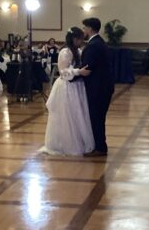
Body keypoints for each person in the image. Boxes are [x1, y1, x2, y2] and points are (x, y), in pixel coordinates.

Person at [41, 27, 94, 156]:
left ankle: (80, 141)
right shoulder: (65, 52)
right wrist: (78, 71)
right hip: (67, 87)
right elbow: (63, 72)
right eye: (80, 39)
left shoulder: (78, 51)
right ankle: (66, 143)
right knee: (67, 115)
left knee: (78, 114)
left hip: (77, 86)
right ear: (74, 39)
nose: (82, 41)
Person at [77, 17, 114, 156]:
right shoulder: (99, 42)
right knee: (99, 117)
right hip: (103, 86)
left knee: (96, 118)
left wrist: (71, 75)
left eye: (84, 28)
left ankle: (100, 148)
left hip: (98, 88)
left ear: (90, 29)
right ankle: (100, 145)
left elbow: (87, 68)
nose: (83, 31)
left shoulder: (93, 45)